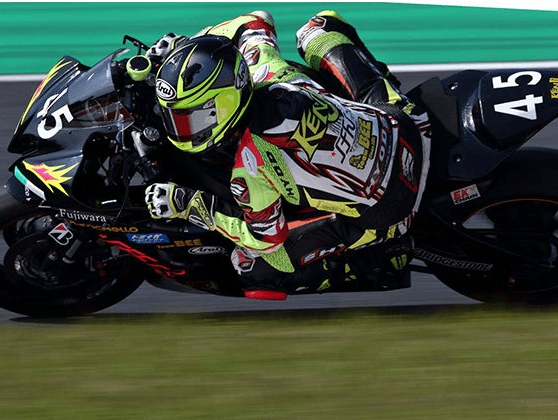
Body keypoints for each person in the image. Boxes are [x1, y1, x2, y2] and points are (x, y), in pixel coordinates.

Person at [144, 10, 431, 298]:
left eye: (190, 118)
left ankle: (374, 260)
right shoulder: (266, 68)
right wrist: (188, 45)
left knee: (248, 263)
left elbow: (265, 238)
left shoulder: (251, 165)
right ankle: (388, 88)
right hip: (404, 123)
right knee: (318, 28)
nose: (181, 128)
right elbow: (256, 20)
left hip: (392, 210)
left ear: (225, 103)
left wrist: (188, 204)